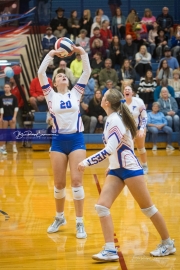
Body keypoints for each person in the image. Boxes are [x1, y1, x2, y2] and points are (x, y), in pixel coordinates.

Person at [78, 89, 176, 261]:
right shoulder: (112, 118)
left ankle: (168, 243)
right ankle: (110, 250)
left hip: (130, 169)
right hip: (117, 169)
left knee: (148, 208)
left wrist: (86, 162)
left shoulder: (115, 120)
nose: (101, 97)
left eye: (104, 95)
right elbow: (118, 148)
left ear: (107, 102)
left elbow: (109, 149)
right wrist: (111, 165)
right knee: (102, 206)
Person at [38, 45, 91, 237]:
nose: (63, 76)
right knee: (59, 184)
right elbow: (40, 72)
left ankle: (79, 222)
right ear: (54, 82)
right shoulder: (50, 95)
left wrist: (81, 52)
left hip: (76, 139)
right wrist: (51, 54)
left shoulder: (75, 93)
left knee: (77, 182)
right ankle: (60, 217)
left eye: (64, 75)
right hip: (58, 141)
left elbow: (87, 71)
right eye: (59, 76)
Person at [124, 86, 148, 174]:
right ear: (123, 93)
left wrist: (142, 129)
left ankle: (144, 165)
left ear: (132, 92)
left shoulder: (138, 101)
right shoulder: (121, 103)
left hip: (139, 128)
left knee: (141, 148)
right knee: (128, 148)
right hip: (128, 129)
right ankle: (129, 166)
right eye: (125, 89)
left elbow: (144, 116)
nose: (127, 90)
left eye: (128, 89)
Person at [0, 83, 18, 154]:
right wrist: (1, 117)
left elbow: (16, 108)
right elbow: (1, 108)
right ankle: (3, 146)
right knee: (4, 132)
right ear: (4, 89)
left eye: (8, 87)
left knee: (13, 132)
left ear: (10, 88)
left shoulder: (14, 97)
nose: (7, 88)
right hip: (5, 117)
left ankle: (14, 146)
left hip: (11, 116)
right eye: (5, 87)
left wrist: (14, 117)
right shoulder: (1, 97)